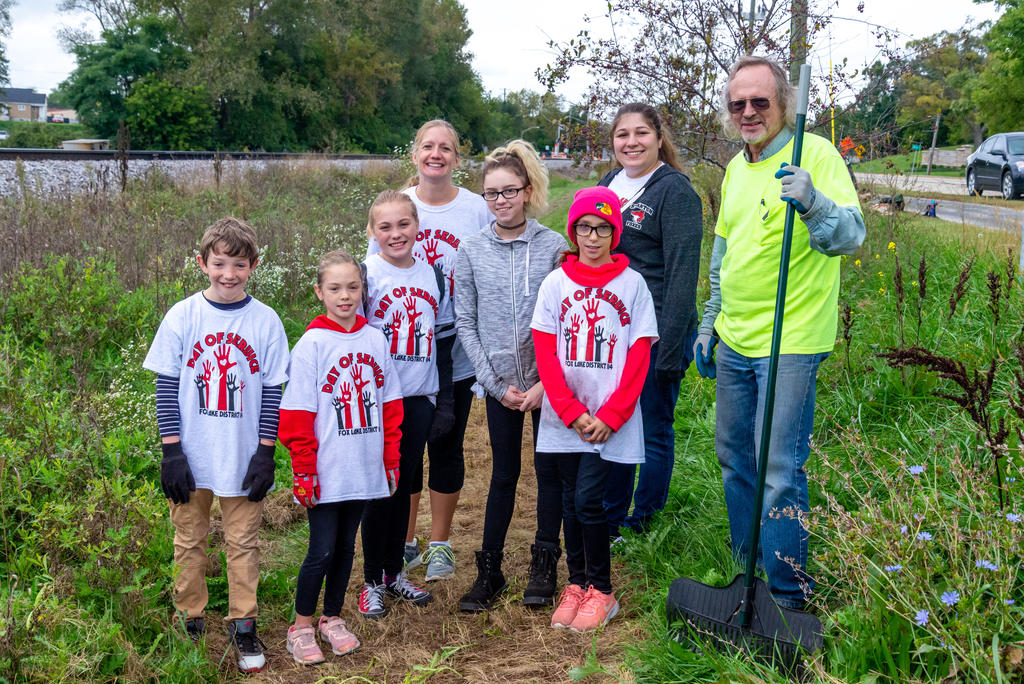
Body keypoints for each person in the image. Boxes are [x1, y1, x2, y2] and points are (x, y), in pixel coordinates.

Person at [694, 55, 864, 609]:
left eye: (759, 102)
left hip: (790, 340)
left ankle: (787, 595)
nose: (748, 112)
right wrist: (709, 323)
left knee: (779, 469)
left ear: (784, 103)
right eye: (737, 103)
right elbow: (723, 256)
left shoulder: (815, 155)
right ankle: (749, 574)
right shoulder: (735, 168)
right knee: (734, 458)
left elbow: (850, 236)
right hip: (735, 338)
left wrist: (812, 202)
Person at [142, 217, 289, 673]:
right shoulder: (182, 316)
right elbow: (166, 388)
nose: (229, 274)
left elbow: (272, 392)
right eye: (220, 263)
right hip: (191, 458)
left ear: (254, 266)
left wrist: (266, 453)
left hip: (243, 459)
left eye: (239, 265)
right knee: (189, 540)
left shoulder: (265, 321)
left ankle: (243, 624)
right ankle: (189, 621)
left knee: (243, 542)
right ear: (202, 263)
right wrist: (171, 452)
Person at [531, 187, 659, 632]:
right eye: (584, 227)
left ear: (614, 233)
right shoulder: (556, 283)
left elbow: (639, 354)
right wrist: (569, 410)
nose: (592, 237)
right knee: (570, 501)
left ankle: (602, 590)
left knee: (589, 499)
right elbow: (546, 353)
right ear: (573, 230)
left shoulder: (632, 285)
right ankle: (577, 583)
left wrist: (612, 415)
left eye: (603, 228)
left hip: (608, 419)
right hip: (566, 416)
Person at [368, 119, 491, 582]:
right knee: (405, 451)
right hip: (402, 358)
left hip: (453, 348)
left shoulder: (475, 208)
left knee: (445, 445)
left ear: (457, 157)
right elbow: (372, 278)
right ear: (415, 153)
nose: (436, 154)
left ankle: (440, 543)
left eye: (445, 148)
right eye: (427, 146)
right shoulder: (397, 204)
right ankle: (405, 542)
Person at [453, 140, 568, 612]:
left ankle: (544, 564)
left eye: (509, 191)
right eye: (492, 193)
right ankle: (490, 569)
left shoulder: (554, 247)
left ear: (527, 191)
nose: (501, 200)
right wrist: (495, 385)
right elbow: (466, 322)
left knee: (548, 472)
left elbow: (566, 321)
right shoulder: (470, 250)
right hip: (500, 384)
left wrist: (547, 385)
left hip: (547, 385)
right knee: (503, 473)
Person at [278, 250, 403, 665]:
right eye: (335, 288)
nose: (345, 296)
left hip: (363, 467)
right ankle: (300, 627)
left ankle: (332, 617)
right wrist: (304, 468)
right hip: (326, 470)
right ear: (320, 292)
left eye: (352, 287)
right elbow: (297, 414)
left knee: (347, 547)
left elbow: (390, 405)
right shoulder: (312, 344)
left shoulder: (375, 339)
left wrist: (390, 458)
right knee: (321, 550)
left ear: (363, 289)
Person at [598, 103, 703, 540]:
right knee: (615, 421)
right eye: (622, 134)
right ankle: (610, 517)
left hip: (658, 330)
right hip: (612, 332)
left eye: (641, 133)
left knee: (653, 427)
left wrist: (671, 348)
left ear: (659, 138)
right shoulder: (607, 185)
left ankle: (644, 522)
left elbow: (682, 275)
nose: (632, 142)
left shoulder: (674, 191)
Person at [358, 189, 450, 618]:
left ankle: (394, 573)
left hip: (419, 398)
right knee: (381, 491)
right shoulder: (367, 276)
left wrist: (442, 401)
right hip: (379, 402)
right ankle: (371, 581)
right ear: (372, 232)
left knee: (403, 486)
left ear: (417, 226)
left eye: (403, 224)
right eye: (385, 227)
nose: (395, 234)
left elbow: (443, 341)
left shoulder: (432, 275)